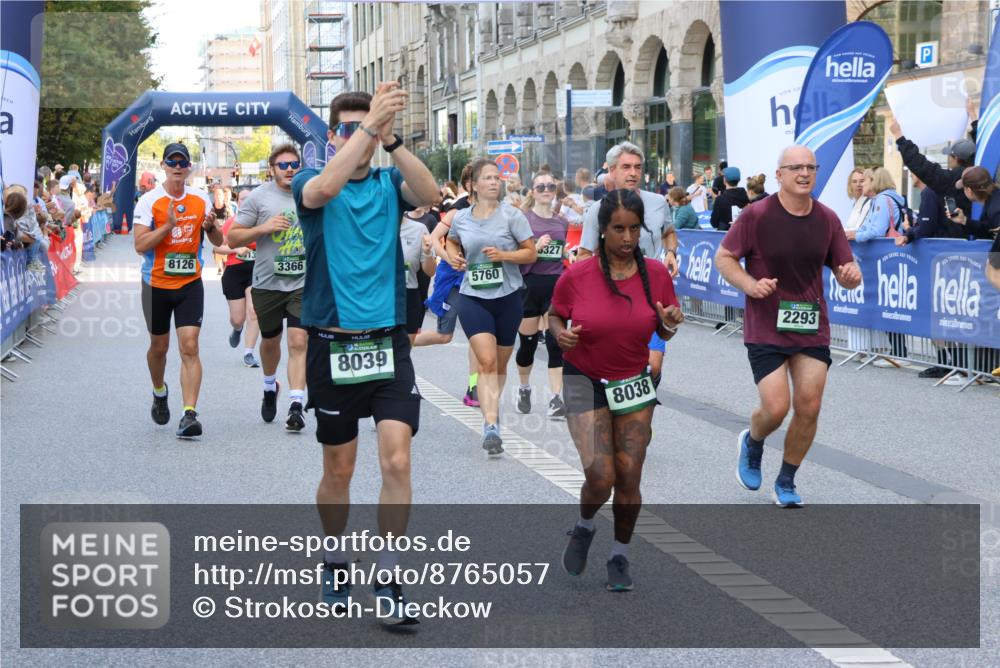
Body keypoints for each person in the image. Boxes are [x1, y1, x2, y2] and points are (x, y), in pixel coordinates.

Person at [292, 83, 439, 622]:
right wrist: (368, 127)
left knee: (397, 457)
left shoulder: (386, 181)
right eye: (353, 128)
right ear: (333, 137)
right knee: (340, 469)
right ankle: (334, 555)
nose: (365, 136)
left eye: (370, 127)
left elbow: (430, 195)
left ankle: (389, 573)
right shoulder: (312, 181)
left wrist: (392, 136)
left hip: (388, 343)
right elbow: (324, 188)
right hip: (332, 343)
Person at [551, 189, 684, 592]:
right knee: (600, 473)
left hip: (633, 382)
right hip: (581, 379)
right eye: (618, 229)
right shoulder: (578, 275)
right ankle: (584, 525)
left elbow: (663, 328)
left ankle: (620, 554)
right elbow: (554, 315)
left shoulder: (656, 275)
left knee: (629, 474)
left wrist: (670, 323)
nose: (627, 238)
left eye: (633, 229)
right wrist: (562, 337)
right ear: (602, 230)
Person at [714, 145, 861, 508]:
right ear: (778, 175)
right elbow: (724, 257)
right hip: (766, 324)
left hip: (810, 325)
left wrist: (850, 276)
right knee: (776, 407)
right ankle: (753, 442)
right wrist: (750, 285)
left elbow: (847, 271)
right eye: (795, 167)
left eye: (810, 167)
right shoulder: (756, 215)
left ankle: (787, 479)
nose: (804, 173)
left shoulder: (827, 219)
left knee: (809, 406)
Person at [446, 158, 537, 455]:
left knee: (498, 364)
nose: (494, 182)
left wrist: (504, 256)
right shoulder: (461, 218)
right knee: (485, 361)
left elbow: (530, 254)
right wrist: (454, 256)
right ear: (472, 185)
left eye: (497, 177)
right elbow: (451, 242)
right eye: (487, 178)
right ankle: (491, 424)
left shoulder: (512, 216)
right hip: (473, 296)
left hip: (508, 297)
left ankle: (491, 409)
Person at [134, 143, 223, 438]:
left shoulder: (200, 199)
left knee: (190, 346)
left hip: (189, 284)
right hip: (155, 284)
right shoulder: (149, 201)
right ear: (163, 165)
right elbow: (140, 245)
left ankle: (189, 414)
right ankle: (159, 392)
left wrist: (210, 227)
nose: (176, 166)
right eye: (171, 161)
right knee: (159, 348)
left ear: (187, 167)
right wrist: (167, 227)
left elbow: (218, 239)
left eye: (182, 161)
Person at [578, 142, 680, 387]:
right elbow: (583, 255)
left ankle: (643, 415)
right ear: (612, 171)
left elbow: (668, 231)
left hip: (650, 295)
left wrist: (670, 252)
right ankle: (628, 416)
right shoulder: (598, 210)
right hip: (614, 296)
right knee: (618, 364)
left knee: (653, 364)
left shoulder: (657, 202)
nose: (633, 173)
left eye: (637, 167)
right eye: (626, 167)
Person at [227, 144, 308, 430]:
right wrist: (264, 228)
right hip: (267, 284)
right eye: (283, 165)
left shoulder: (309, 193)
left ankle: (296, 404)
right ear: (271, 169)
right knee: (271, 342)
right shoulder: (259, 198)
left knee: (299, 342)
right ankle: (269, 386)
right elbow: (234, 238)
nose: (289, 169)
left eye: (293, 164)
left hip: (302, 283)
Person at [419, 164, 482, 407]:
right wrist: (450, 259)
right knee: (444, 335)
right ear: (469, 185)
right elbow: (435, 238)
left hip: (479, 278)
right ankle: (403, 342)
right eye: (481, 179)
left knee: (479, 334)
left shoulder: (495, 209)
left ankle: (474, 386)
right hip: (454, 277)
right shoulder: (459, 209)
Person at [515, 170, 569, 419]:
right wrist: (534, 249)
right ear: (533, 192)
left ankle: (556, 399)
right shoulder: (522, 220)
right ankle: (524, 388)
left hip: (555, 286)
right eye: (541, 187)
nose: (546, 190)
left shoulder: (562, 222)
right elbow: (516, 260)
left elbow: (560, 256)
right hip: (528, 286)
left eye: (550, 186)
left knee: (555, 344)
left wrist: (568, 254)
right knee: (526, 346)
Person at [847, 167, 908, 367]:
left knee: (891, 305)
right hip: (888, 257)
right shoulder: (887, 199)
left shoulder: (882, 200)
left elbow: (877, 229)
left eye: (865, 181)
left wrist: (856, 236)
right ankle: (896, 352)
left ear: (874, 181)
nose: (861, 184)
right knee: (890, 304)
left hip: (887, 257)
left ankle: (900, 353)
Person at [889, 118, 975, 216]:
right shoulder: (982, 171)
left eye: (950, 156)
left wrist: (899, 136)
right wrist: (974, 118)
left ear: (956, 158)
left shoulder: (950, 179)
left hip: (958, 229)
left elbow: (919, 164)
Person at [215, 188, 260, 367]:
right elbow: (218, 247)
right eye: (242, 200)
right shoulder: (232, 223)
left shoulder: (261, 222)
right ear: (238, 203)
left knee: (254, 312)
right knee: (238, 318)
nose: (246, 202)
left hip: (256, 271)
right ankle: (237, 328)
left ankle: (249, 353)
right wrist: (236, 249)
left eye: (249, 199)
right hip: (234, 271)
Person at [399, 213, 437, 345]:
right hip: (377, 297)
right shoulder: (371, 227)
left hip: (408, 296)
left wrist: (427, 254)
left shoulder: (419, 229)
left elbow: (430, 271)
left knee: (404, 352)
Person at [710, 166, 750, 231]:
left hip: (726, 236)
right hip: (743, 232)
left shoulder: (720, 200)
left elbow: (714, 223)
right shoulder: (746, 195)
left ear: (725, 180)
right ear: (739, 180)